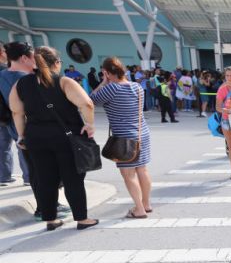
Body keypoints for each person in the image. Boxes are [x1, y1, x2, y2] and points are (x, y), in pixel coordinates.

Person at [10, 47, 98, 231]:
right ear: (57, 62)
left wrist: (21, 135)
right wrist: (89, 124)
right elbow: (87, 104)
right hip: (65, 137)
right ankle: (82, 218)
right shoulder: (64, 82)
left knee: (45, 178)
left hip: (36, 137)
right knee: (72, 178)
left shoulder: (21, 84)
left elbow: (17, 112)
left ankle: (50, 219)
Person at [90, 57, 153, 219]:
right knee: (142, 170)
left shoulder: (111, 89)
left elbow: (91, 100)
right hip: (141, 133)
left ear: (106, 72)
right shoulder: (137, 87)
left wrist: (103, 82)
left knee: (128, 174)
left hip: (124, 138)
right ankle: (146, 203)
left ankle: (139, 209)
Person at [0, 42, 35, 188]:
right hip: (20, 116)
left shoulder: (2, 74)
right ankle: (29, 177)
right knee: (24, 145)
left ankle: (4, 177)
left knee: (3, 147)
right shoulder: (26, 77)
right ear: (24, 58)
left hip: (3, 117)